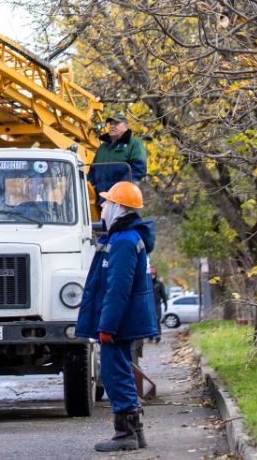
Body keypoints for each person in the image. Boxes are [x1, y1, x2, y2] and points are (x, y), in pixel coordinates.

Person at [75, 180, 159, 452]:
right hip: (125, 320)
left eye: (108, 202)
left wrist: (107, 325)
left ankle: (126, 435)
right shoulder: (126, 236)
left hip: (119, 322)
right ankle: (136, 433)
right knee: (120, 371)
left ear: (120, 208)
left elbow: (118, 290)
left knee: (115, 374)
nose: (103, 206)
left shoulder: (124, 241)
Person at [88, 112, 148, 197]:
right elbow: (92, 172)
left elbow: (139, 170)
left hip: (122, 200)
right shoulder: (102, 148)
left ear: (126, 127)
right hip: (99, 200)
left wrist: (118, 191)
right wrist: (92, 189)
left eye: (116, 123)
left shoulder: (134, 144)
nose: (112, 126)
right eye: (111, 124)